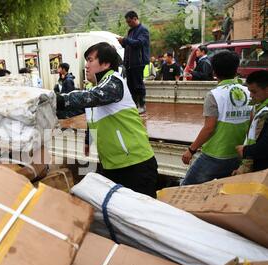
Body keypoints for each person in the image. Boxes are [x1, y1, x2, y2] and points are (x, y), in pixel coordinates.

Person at [56, 42, 158, 198]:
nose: (86, 66)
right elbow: (88, 113)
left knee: (139, 217)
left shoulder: (114, 82)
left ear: (106, 63)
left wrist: (57, 99)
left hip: (135, 165)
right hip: (111, 165)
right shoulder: (95, 90)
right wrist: (87, 141)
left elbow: (91, 98)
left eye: (90, 60)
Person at [181, 51, 252, 185]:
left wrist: (191, 150)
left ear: (214, 72)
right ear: (236, 69)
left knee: (186, 187)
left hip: (215, 154)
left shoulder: (214, 95)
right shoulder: (248, 92)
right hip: (239, 154)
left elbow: (209, 128)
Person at [233, 70, 268, 174]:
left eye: (254, 91)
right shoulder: (259, 108)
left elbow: (264, 145)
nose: (251, 96)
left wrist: (246, 151)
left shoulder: (265, 112)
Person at [117, 11, 150, 114]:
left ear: (135, 18)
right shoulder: (130, 31)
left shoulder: (143, 30)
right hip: (129, 63)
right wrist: (122, 43)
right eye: (127, 22)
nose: (128, 24)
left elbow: (139, 43)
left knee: (138, 84)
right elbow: (129, 45)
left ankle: (142, 105)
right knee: (130, 85)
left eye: (130, 21)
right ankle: (134, 105)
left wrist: (125, 40)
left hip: (138, 62)